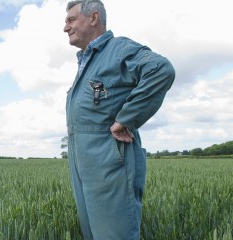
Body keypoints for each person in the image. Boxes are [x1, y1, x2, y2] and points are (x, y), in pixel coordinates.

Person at [63, 0, 175, 239]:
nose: (66, 27)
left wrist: (125, 118)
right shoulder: (87, 59)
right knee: (92, 233)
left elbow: (160, 69)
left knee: (114, 233)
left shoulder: (117, 48)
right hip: (82, 158)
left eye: (71, 20)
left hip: (109, 156)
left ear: (93, 18)